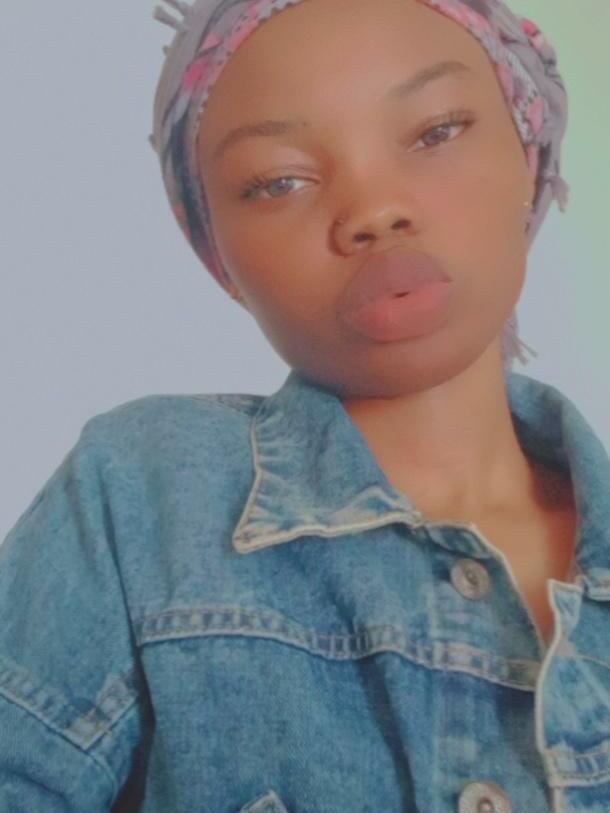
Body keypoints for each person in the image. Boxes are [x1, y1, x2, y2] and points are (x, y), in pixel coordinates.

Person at [1, 0, 608, 811]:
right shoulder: (141, 498)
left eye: (436, 131)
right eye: (277, 181)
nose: (373, 212)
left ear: (529, 156)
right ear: (218, 255)